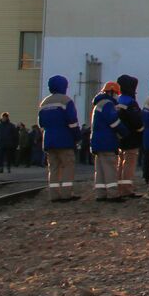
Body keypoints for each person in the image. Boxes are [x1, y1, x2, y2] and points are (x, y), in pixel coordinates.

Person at [38, 74, 82, 202]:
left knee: (53, 168)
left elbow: (41, 123)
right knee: (68, 166)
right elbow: (72, 122)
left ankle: (54, 195)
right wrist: (77, 136)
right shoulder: (66, 101)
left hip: (49, 141)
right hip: (65, 140)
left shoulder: (44, 102)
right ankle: (66, 194)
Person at [90, 81, 123, 201]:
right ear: (112, 92)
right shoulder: (108, 104)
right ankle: (113, 194)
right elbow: (114, 122)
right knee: (110, 168)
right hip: (107, 141)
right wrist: (124, 133)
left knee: (100, 170)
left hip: (97, 142)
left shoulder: (98, 104)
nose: (117, 97)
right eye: (116, 94)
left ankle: (100, 194)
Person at [115, 75, 143, 199]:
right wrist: (141, 130)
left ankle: (118, 187)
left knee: (120, 163)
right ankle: (127, 189)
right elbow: (137, 121)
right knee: (129, 163)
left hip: (119, 136)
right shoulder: (130, 102)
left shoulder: (117, 100)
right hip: (131, 137)